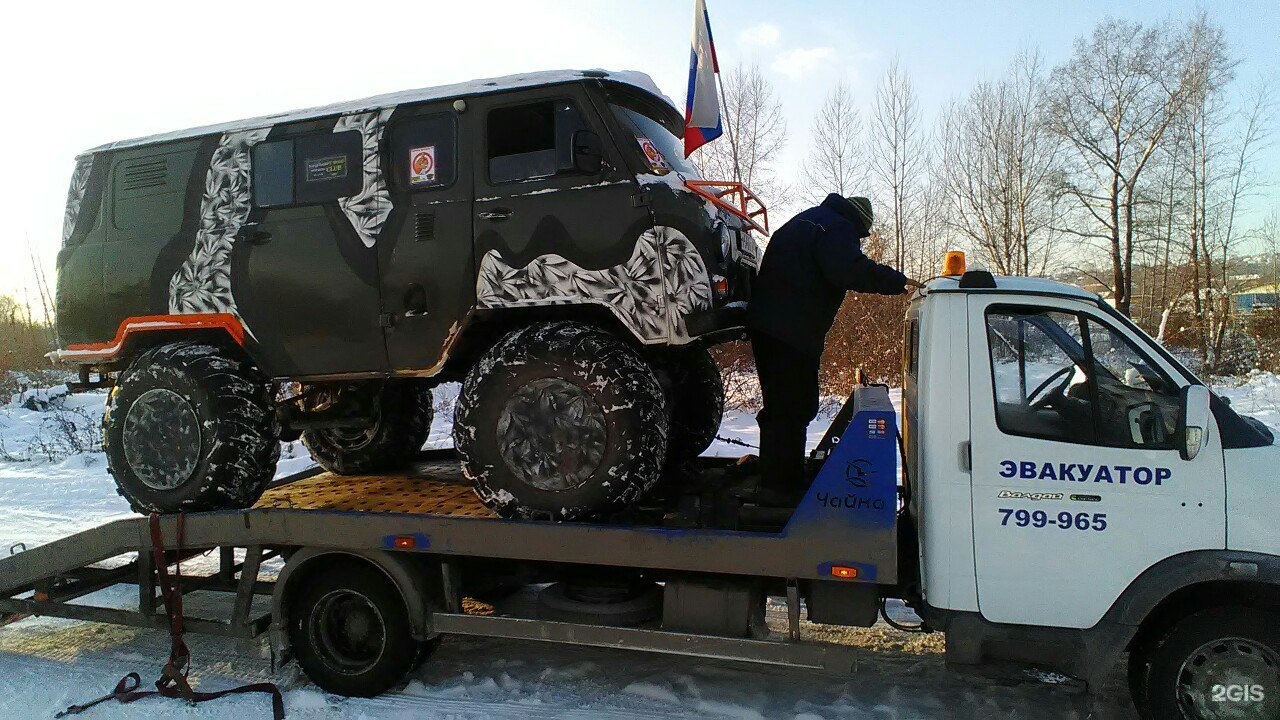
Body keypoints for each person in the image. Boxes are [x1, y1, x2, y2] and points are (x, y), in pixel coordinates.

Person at [746, 194, 918, 506]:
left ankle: (778, 480)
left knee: (782, 407)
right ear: (859, 223)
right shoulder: (838, 228)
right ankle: (780, 490)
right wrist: (896, 280)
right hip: (791, 330)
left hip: (769, 325)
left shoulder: (810, 218)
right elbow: (848, 268)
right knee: (793, 407)